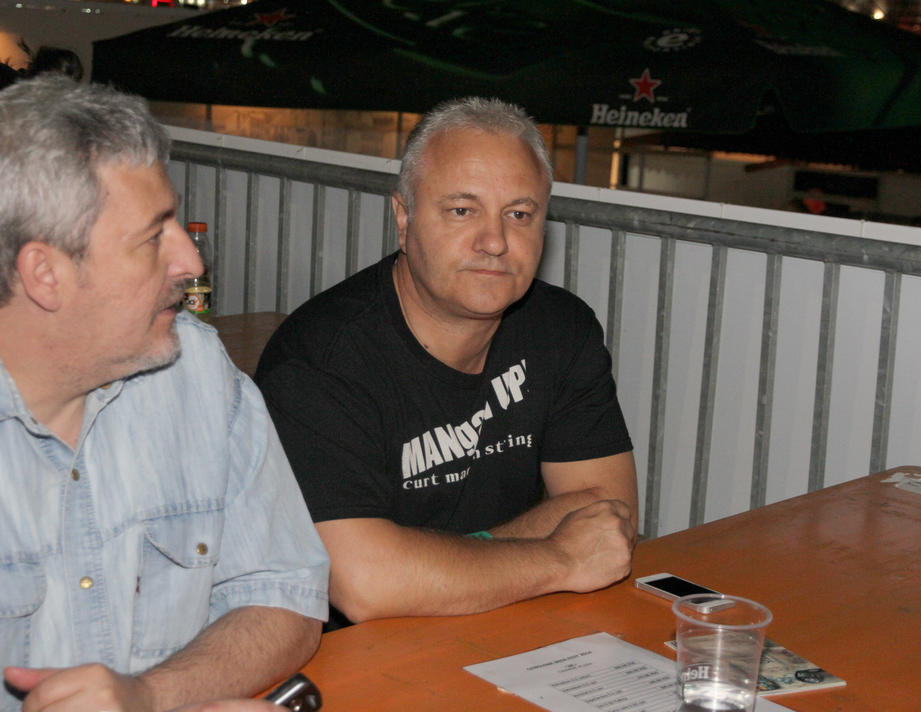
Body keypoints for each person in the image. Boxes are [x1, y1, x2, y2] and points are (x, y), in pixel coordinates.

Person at [0, 76, 330, 711]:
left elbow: (284, 596)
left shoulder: (193, 370)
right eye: (154, 237)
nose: (192, 263)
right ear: (45, 274)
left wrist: (151, 696)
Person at [256, 97, 637, 624]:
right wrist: (557, 557)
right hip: (361, 653)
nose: (495, 242)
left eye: (519, 214)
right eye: (462, 210)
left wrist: (439, 567)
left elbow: (608, 517)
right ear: (403, 217)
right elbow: (365, 585)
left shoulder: (562, 328)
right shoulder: (319, 361)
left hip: (514, 620)